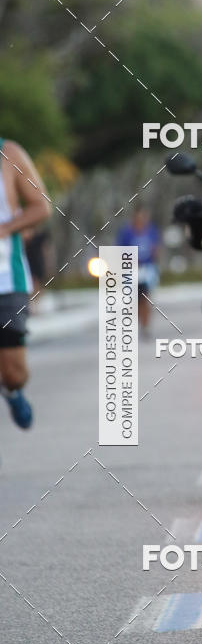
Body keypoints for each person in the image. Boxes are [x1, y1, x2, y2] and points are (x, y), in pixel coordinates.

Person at [0, 138, 52, 429]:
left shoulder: (9, 154)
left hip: (7, 279)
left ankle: (11, 389)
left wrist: (6, 228)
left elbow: (40, 207)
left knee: (14, 372)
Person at [117, 206, 161, 337]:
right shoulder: (126, 232)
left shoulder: (151, 231)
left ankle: (145, 325)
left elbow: (156, 248)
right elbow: (121, 250)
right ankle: (139, 321)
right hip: (132, 270)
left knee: (146, 298)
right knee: (135, 300)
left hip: (147, 269)